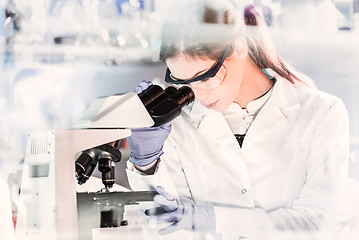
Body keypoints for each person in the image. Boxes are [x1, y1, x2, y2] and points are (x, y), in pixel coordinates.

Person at [126, 0, 350, 239]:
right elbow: (166, 226)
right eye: (184, 84)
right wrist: (146, 165)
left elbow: (316, 223)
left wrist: (214, 219)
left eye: (204, 78)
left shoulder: (322, 112)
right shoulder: (176, 125)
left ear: (238, 49)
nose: (197, 96)